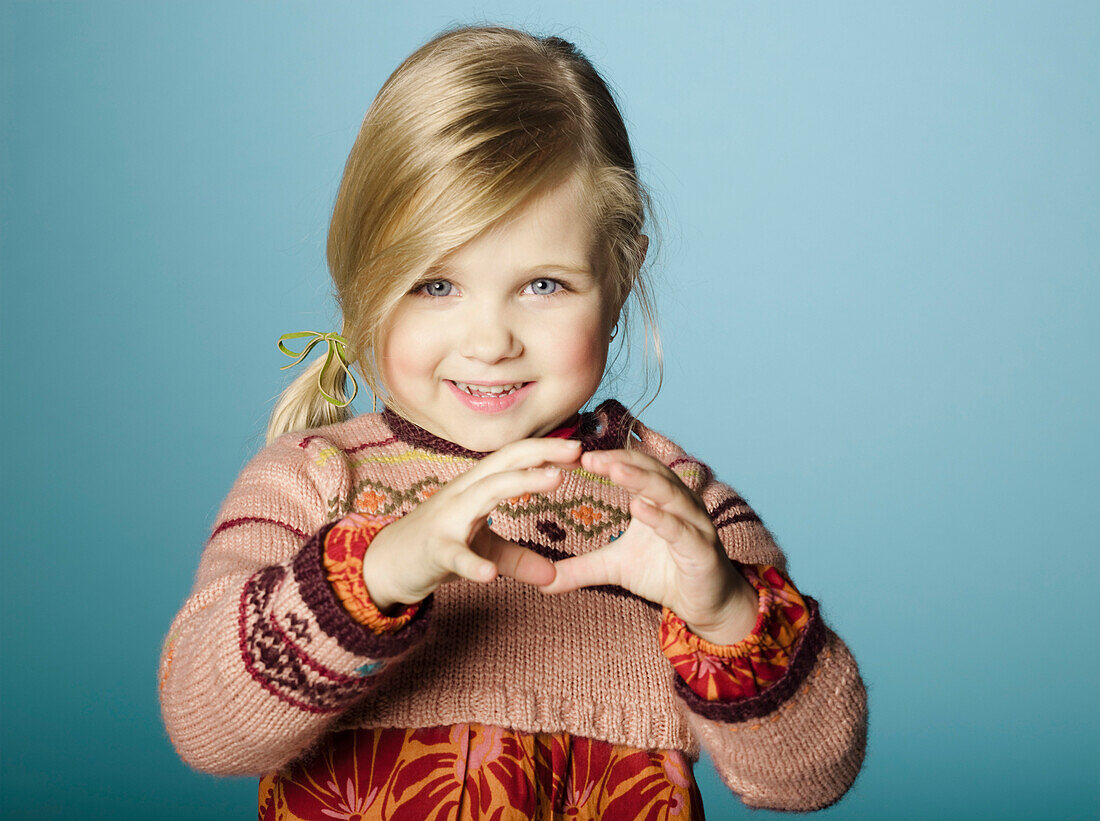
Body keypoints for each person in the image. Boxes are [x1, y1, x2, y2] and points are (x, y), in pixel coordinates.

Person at [158, 25, 867, 819]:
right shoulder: (315, 479)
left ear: (620, 275)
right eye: (435, 285)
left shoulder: (674, 507)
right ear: (364, 278)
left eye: (542, 285)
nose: (490, 340)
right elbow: (203, 723)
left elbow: (813, 772)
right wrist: (378, 573)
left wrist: (725, 609)